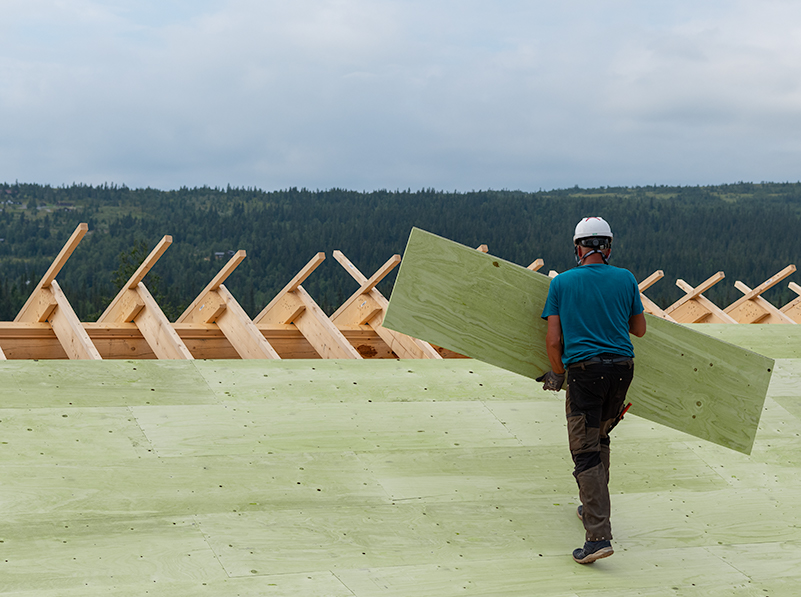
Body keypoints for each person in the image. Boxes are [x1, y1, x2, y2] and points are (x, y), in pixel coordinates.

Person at [537, 216, 646, 564]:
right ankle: (590, 508)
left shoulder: (563, 284)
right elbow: (639, 330)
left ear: (578, 248)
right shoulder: (626, 278)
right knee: (600, 439)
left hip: (586, 373)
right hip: (621, 371)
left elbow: (554, 340)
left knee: (584, 452)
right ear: (608, 247)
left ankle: (598, 537)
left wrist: (557, 374)